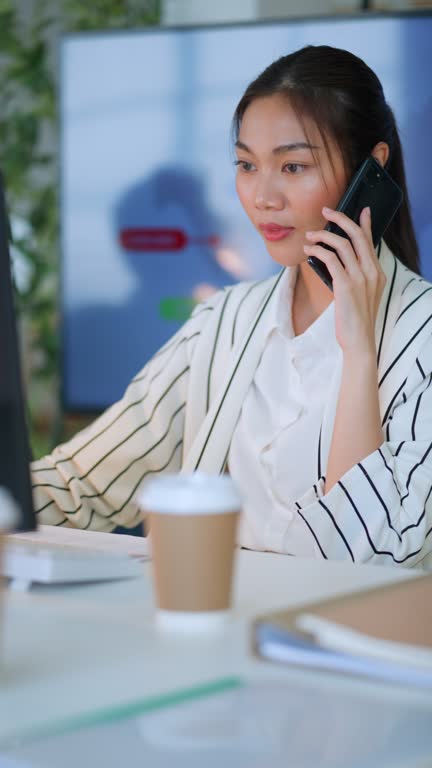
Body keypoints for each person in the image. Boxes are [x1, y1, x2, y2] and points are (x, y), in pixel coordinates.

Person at [32, 45, 432, 568]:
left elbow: (370, 558)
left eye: (293, 165)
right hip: (208, 636)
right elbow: (82, 484)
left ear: (371, 169)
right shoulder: (225, 321)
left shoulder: (420, 333)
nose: (263, 196)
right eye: (246, 164)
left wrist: (358, 350)